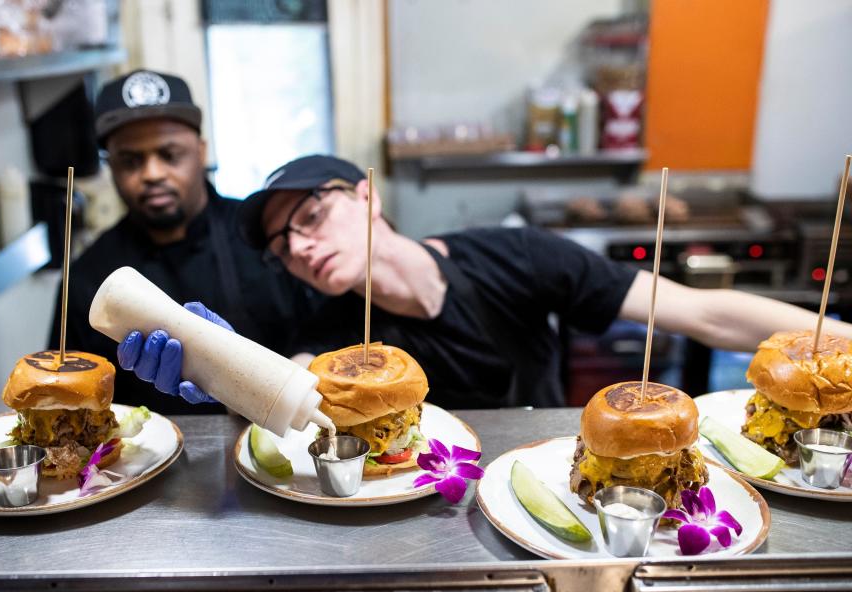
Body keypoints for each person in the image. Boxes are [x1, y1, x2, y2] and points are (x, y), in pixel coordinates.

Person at [120, 154, 852, 409]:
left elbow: (702, 314)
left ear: (366, 195)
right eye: (281, 245)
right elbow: (291, 388)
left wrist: (842, 338)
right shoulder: (334, 335)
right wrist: (217, 368)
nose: (300, 247)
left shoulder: (518, 257)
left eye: (311, 214)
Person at [48, 71, 320, 415]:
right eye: (130, 161)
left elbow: (326, 333)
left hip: (279, 441)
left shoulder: (268, 238)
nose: (152, 174)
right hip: (147, 459)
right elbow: (69, 392)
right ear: (111, 168)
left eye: (170, 154)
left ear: (201, 152)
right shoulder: (89, 275)